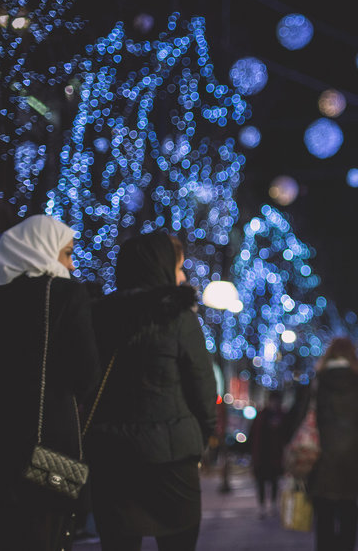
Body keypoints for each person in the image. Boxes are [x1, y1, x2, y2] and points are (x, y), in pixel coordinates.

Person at [86, 232, 217, 551]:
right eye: (179, 267)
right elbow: (202, 387)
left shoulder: (96, 315)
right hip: (171, 461)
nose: (183, 276)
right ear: (161, 268)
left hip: (111, 456)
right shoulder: (180, 318)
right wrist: (202, 436)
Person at [0, 215, 100, 551]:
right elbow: (87, 374)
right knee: (49, 532)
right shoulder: (64, 293)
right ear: (44, 249)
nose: (70, 263)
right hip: (48, 447)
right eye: (66, 253)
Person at [309, 337, 358, 551]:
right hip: (353, 459)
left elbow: (302, 418)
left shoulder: (318, 382)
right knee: (349, 515)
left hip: (321, 457)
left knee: (324, 518)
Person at [249, 391, 287, 518]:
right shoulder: (262, 416)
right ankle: (263, 506)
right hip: (262, 455)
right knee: (261, 482)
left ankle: (272, 505)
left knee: (274, 481)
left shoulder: (280, 416)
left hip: (274, 456)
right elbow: (254, 436)